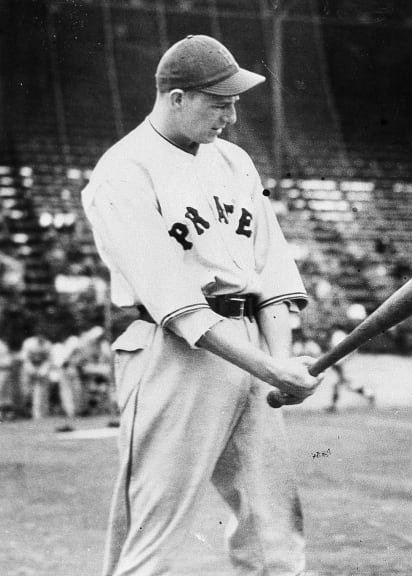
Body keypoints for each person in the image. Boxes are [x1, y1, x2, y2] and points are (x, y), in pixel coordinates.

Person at [81, 35, 324, 576]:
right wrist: (270, 366)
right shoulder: (123, 172)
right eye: (220, 102)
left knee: (275, 530)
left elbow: (274, 270)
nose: (232, 117)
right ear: (175, 98)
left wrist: (276, 365)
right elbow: (178, 305)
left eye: (234, 102)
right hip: (172, 352)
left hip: (251, 350)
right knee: (157, 533)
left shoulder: (234, 161)